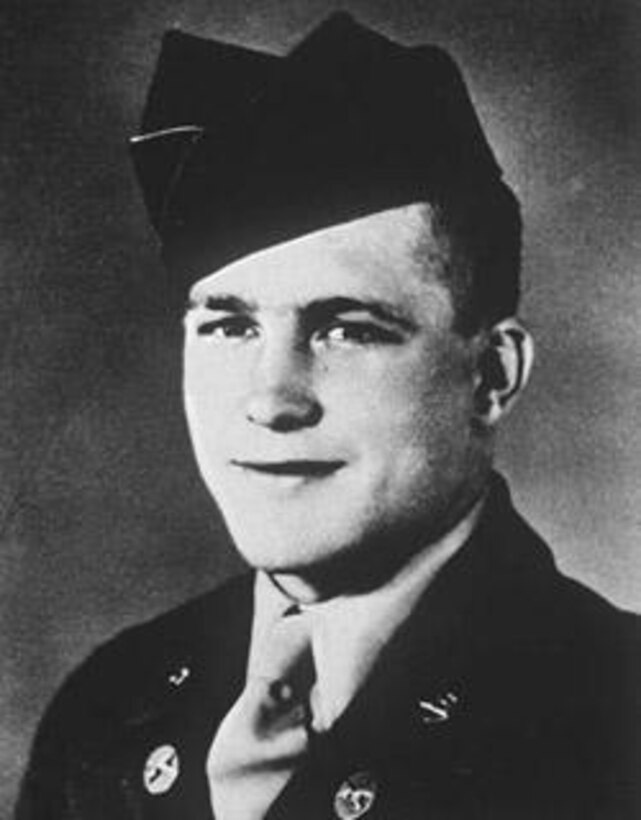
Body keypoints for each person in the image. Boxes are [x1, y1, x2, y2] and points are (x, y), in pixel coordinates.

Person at [16, 12, 640, 819]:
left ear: (491, 375)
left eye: (347, 330)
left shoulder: (615, 719)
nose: (270, 399)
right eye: (229, 326)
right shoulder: (110, 703)